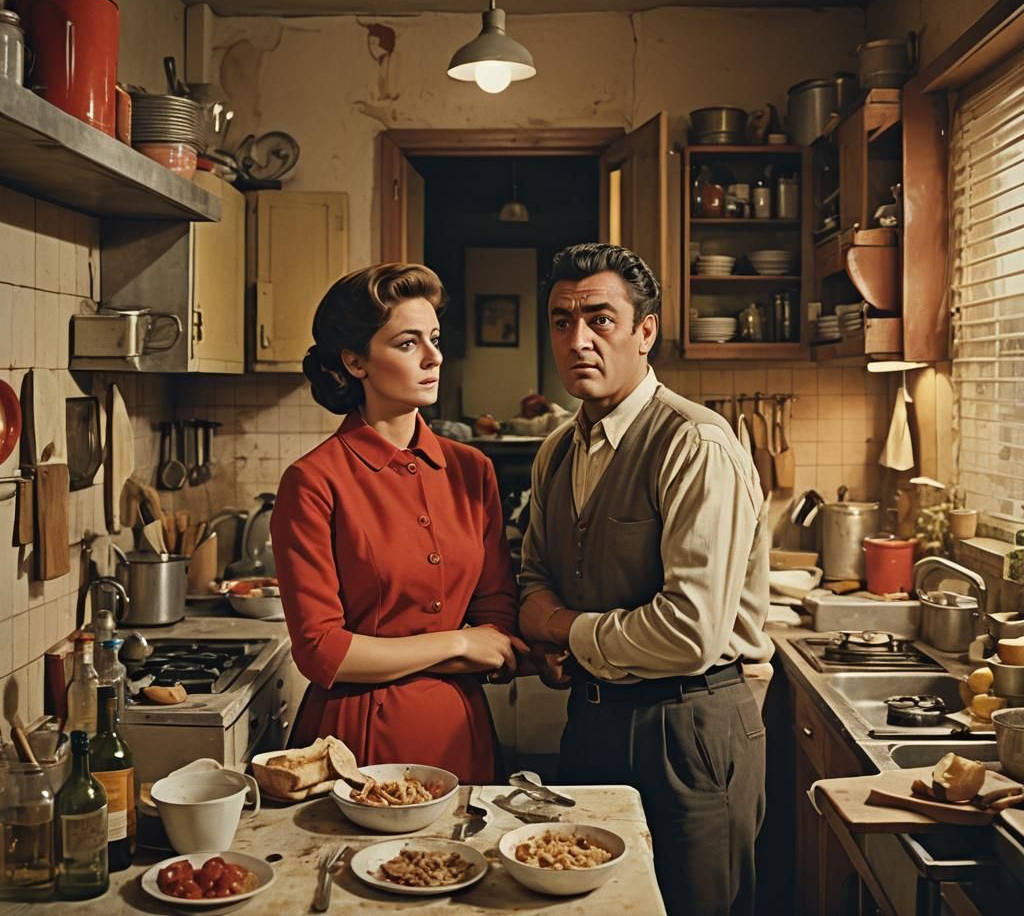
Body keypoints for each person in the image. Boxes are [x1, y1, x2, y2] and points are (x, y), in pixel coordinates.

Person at [518, 243, 774, 916]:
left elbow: (689, 631)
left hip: (690, 726)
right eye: (561, 320)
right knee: (590, 906)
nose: (578, 340)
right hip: (592, 723)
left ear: (646, 330)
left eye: (600, 319)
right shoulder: (556, 450)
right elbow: (534, 579)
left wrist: (563, 630)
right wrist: (545, 631)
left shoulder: (696, 444)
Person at [270, 262, 526, 783]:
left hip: (462, 732)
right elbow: (322, 653)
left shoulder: (472, 470)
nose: (434, 357)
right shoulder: (313, 481)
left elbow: (497, 616)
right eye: (408, 343)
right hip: (359, 744)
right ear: (356, 362)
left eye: (433, 338)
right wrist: (458, 643)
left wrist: (480, 642)